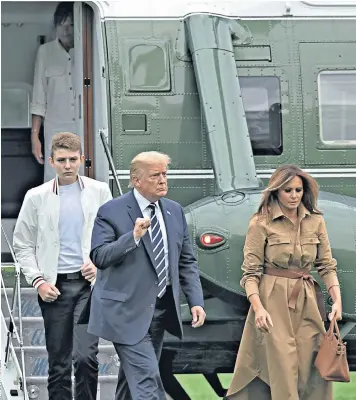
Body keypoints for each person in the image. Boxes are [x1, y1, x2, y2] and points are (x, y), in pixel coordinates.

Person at [87, 151, 206, 400]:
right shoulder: (111, 211)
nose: (163, 180)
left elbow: (186, 261)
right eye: (155, 175)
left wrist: (196, 301)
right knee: (148, 381)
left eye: (165, 174)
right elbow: (99, 256)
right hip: (125, 312)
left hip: (160, 311)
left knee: (132, 383)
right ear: (136, 180)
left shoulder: (174, 211)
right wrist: (133, 237)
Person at [225, 164, 342, 400]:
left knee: (311, 365)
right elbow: (250, 273)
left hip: (307, 301)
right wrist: (258, 308)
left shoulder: (316, 221)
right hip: (272, 302)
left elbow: (326, 265)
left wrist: (337, 299)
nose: (294, 196)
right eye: (288, 190)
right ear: (276, 191)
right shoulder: (260, 222)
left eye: (298, 190)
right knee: (282, 366)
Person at [13, 132, 112, 400]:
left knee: (85, 358)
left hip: (89, 288)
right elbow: (22, 244)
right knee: (58, 364)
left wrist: (97, 263)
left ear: (81, 159)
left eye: (72, 159)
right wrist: (38, 281)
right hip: (54, 288)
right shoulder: (36, 197)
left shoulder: (100, 191)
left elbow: (111, 236)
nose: (67, 165)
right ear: (52, 162)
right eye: (61, 160)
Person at [31, 2, 78, 182]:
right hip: (55, 129)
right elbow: (38, 98)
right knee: (55, 180)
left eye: (71, 25)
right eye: (62, 25)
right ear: (55, 27)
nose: (66, 30)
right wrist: (35, 136)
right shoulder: (45, 52)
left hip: (82, 129)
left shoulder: (86, 50)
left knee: (81, 179)